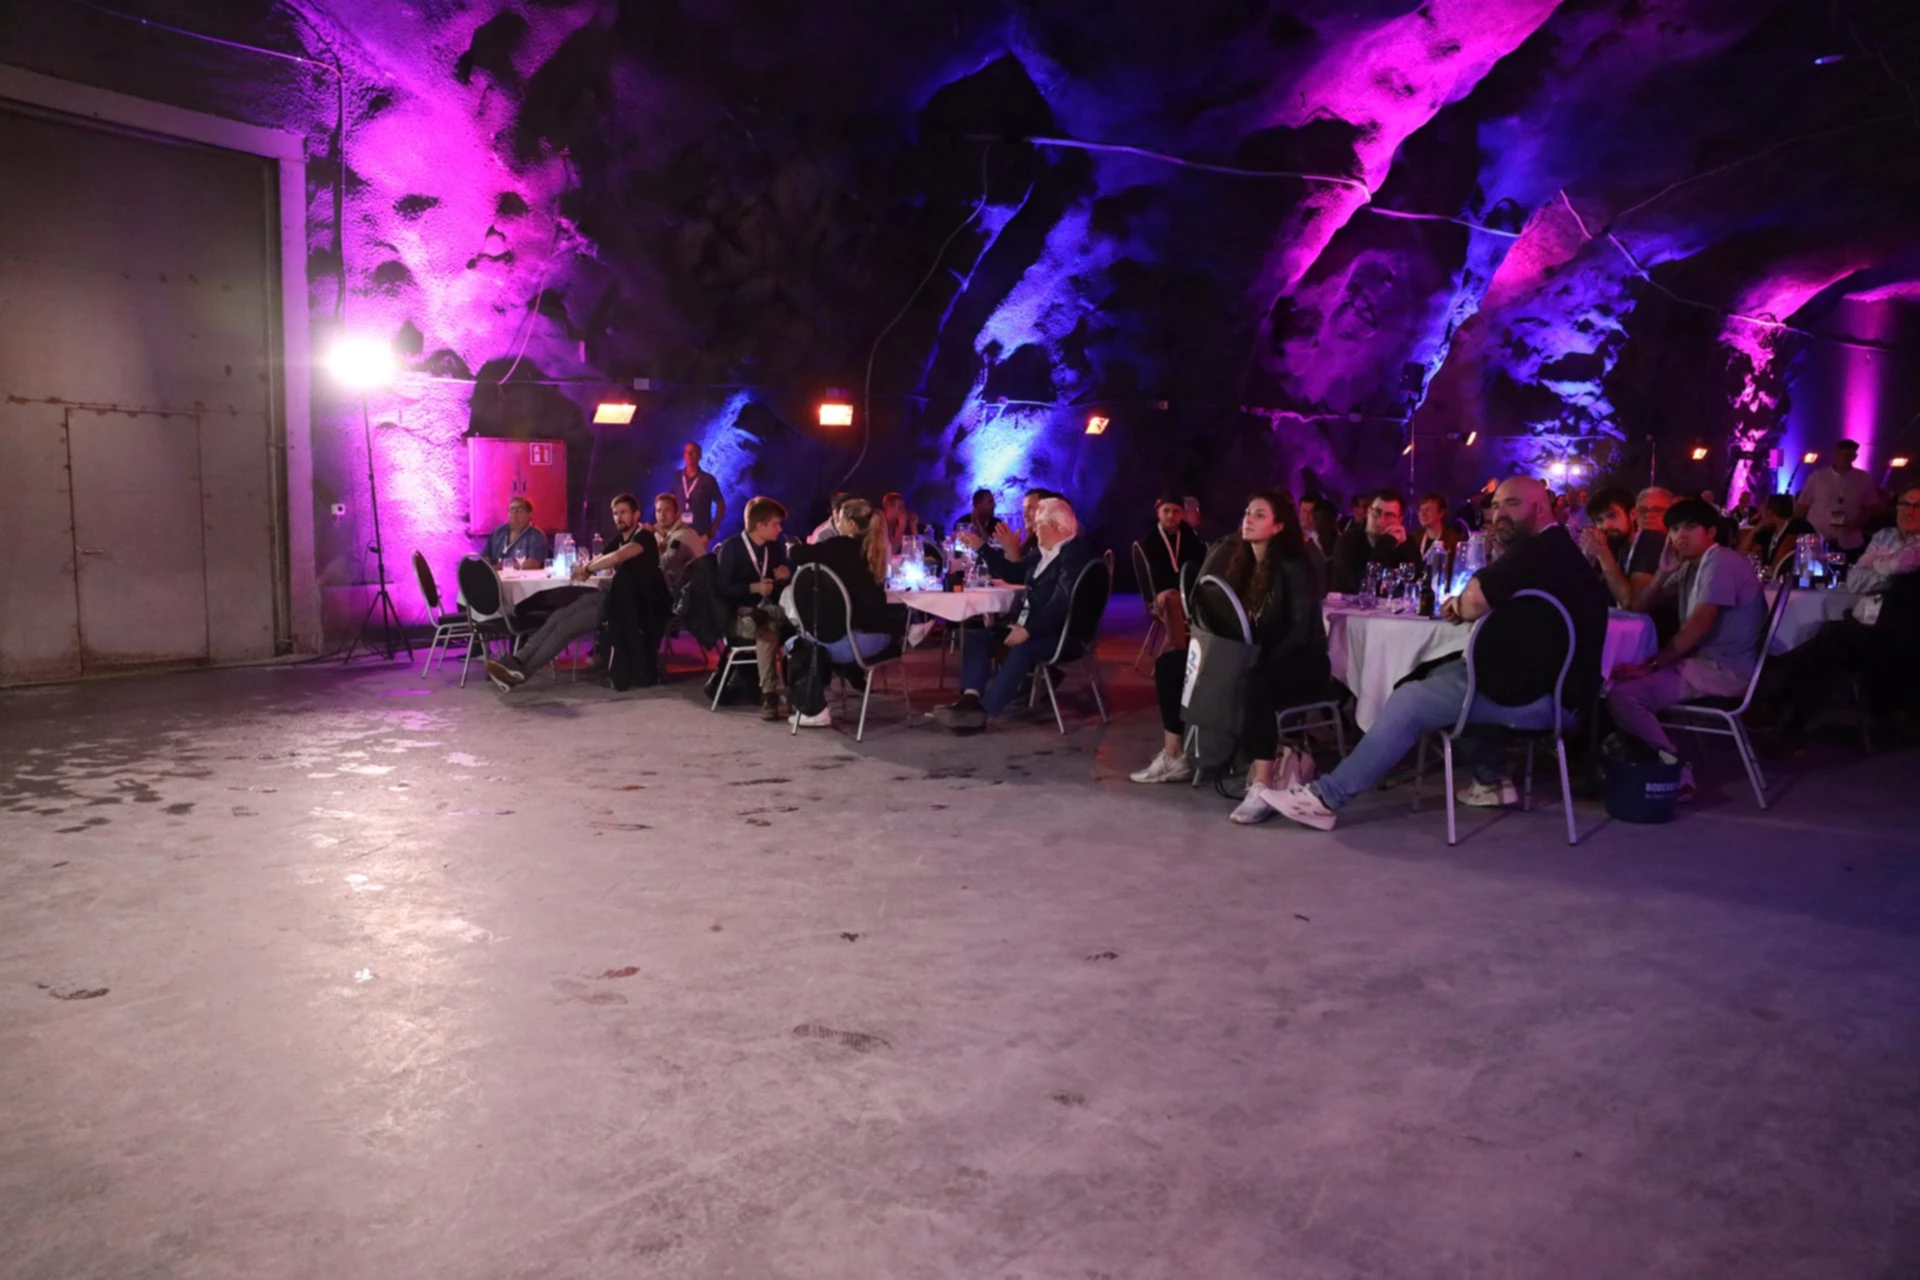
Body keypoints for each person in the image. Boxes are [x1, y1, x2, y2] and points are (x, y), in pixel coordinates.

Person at [1265, 477, 1610, 831]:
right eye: (1495, 506)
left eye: (1512, 504)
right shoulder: (1557, 550)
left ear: (1540, 509)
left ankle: (1325, 799)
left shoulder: (1539, 551)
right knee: (1437, 674)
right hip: (1539, 684)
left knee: (1411, 700)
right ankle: (1491, 779)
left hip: (1545, 698)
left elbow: (1475, 598)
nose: (1499, 514)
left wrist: (1459, 605)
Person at [1132, 491, 1331, 824]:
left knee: (1256, 681)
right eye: (1248, 512)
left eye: (1259, 515)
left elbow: (1299, 634)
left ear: (1279, 526)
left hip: (1300, 663)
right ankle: (1175, 756)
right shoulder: (1242, 563)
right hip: (1253, 656)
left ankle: (1263, 785)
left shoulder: (1295, 566)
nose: (1248, 519)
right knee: (1171, 666)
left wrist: (1253, 661)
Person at [1604, 497, 1767, 797]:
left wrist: (1651, 666)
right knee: (1616, 682)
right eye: (1675, 528)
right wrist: (1663, 572)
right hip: (1705, 665)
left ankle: (1674, 770)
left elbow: (1699, 624)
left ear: (1711, 532)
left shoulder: (1720, 562)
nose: (1681, 535)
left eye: (1690, 527)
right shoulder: (1693, 565)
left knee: (1622, 693)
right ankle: (1651, 762)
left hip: (1724, 671)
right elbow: (1636, 607)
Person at [932, 497, 1098, 730]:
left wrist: (1029, 630)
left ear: (1055, 526)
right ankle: (969, 701)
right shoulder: (1044, 553)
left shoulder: (1075, 555)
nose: (1033, 529)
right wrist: (982, 548)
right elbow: (1013, 573)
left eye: (1038, 524)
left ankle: (984, 713)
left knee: (1022, 650)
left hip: (1062, 633)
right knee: (980, 639)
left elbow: (1062, 603)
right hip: (1036, 625)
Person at [485, 494, 657, 690]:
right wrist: (584, 567)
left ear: (636, 514)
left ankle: (521, 673)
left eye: (624, 512)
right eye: (615, 513)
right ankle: (516, 660)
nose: (619, 517)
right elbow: (600, 557)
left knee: (566, 626)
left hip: (633, 604)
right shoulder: (619, 538)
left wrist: (588, 569)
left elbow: (618, 556)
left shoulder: (644, 536)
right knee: (558, 616)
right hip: (613, 595)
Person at [785, 498, 910, 728]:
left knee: (797, 643)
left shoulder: (839, 546)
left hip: (841, 642)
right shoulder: (875, 549)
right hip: (870, 639)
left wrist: (791, 546)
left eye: (840, 519)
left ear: (851, 525)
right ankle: (910, 633)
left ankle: (815, 705)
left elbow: (798, 555)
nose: (836, 522)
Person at [715, 496, 793, 720]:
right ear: (760, 526)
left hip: (765, 614)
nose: (780, 529)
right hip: (738, 618)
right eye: (775, 524)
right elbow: (722, 589)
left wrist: (783, 578)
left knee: (772, 624)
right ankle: (771, 695)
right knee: (767, 625)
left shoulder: (774, 549)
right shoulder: (731, 548)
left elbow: (779, 588)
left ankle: (779, 694)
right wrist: (752, 588)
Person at [1796, 440, 1882, 559]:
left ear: (1854, 457)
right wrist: (1797, 532)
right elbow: (1803, 505)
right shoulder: (1818, 477)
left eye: (1849, 455)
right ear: (1835, 454)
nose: (1845, 458)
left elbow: (1870, 506)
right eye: (1842, 454)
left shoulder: (1863, 478)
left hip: (1849, 539)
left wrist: (1855, 525)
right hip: (1818, 537)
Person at [1329, 490, 1418, 593]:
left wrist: (1405, 546)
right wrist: (1385, 544)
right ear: (1368, 512)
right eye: (1377, 512)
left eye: (1389, 515)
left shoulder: (1405, 541)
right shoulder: (1348, 541)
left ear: (1400, 519)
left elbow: (1415, 581)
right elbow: (1366, 587)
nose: (1381, 520)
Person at [1736, 494, 1813, 577]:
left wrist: (1768, 572)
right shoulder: (1769, 531)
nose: (1760, 512)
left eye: (1764, 508)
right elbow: (1741, 553)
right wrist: (1755, 529)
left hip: (1794, 579)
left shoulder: (1797, 525)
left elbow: (1781, 557)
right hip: (1772, 578)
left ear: (1770, 513)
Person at [650, 492, 707, 593]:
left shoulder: (683, 535)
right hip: (684, 592)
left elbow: (664, 564)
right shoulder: (663, 535)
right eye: (658, 511)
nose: (662, 515)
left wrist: (648, 540)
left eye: (667, 510)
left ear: (676, 513)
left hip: (697, 595)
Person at [674, 441, 727, 539]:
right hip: (678, 531)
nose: (689, 455)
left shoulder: (708, 480)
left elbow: (721, 505)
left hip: (701, 533)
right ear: (684, 455)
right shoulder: (676, 477)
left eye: (693, 452)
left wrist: (714, 527)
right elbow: (671, 500)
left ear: (700, 456)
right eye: (686, 452)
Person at [483, 496, 549, 567]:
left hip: (521, 574)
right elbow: (485, 556)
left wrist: (504, 567)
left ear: (529, 514)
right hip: (495, 573)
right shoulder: (498, 532)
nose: (514, 512)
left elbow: (533, 563)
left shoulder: (536, 535)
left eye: (520, 510)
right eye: (512, 509)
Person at [1415, 492, 1464, 565]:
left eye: (1428, 510)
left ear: (1441, 513)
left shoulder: (1455, 542)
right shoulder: (1414, 539)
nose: (1423, 514)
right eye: (1421, 509)